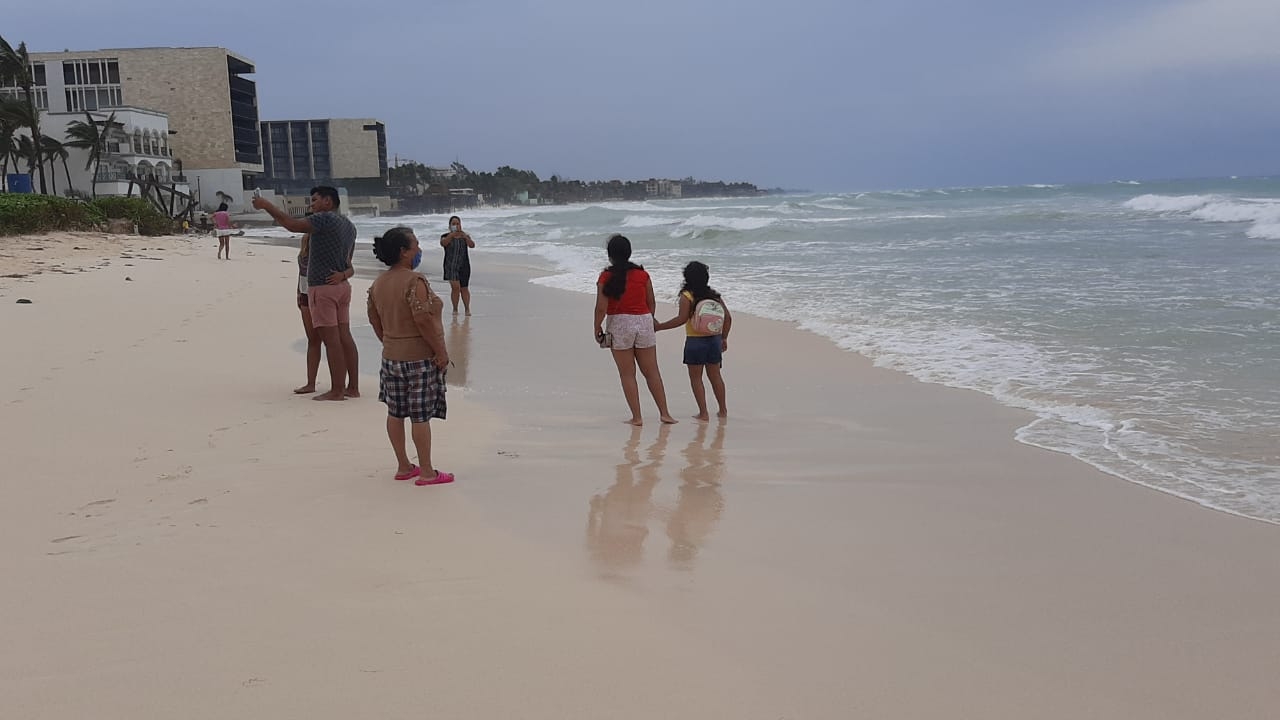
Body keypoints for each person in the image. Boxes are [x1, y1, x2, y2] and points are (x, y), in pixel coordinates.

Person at [252, 186, 359, 401]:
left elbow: (292, 225)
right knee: (344, 336)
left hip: (323, 287)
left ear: (328, 201)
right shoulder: (349, 225)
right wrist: (342, 274)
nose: (311, 204)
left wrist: (266, 206)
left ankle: (337, 390)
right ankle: (352, 387)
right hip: (342, 286)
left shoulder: (324, 219)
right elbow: (348, 261)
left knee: (331, 341)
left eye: (315, 200)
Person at [367, 226, 454, 486]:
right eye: (415, 245)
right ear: (404, 252)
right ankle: (427, 471)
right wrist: (440, 352)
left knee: (395, 412)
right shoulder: (414, 281)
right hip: (418, 359)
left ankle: (404, 465)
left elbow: (374, 319)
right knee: (419, 415)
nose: (419, 249)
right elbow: (423, 319)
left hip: (391, 357)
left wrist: (389, 342)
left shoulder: (378, 283)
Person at [593, 234, 677, 426]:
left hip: (619, 324)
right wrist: (647, 320)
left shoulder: (606, 277)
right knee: (652, 372)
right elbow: (651, 302)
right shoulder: (642, 275)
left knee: (627, 374)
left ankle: (637, 417)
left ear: (610, 255)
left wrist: (597, 326)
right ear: (629, 252)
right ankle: (665, 413)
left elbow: (601, 307)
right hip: (644, 321)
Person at [655, 261, 732, 420]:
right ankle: (723, 410)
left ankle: (703, 413)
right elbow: (728, 318)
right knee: (716, 376)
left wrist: (660, 326)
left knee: (696, 378)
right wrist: (723, 337)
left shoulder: (687, 296)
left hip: (695, 342)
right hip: (714, 340)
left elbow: (681, 319)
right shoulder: (715, 296)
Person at [293, 219, 321, 394]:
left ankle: (311, 382)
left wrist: (298, 292)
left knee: (315, 340)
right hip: (308, 294)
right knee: (319, 340)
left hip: (310, 294)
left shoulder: (305, 255)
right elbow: (301, 275)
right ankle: (312, 382)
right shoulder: (307, 255)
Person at [439, 215, 475, 315]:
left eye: (458, 223)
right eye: (453, 224)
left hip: (464, 265)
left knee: (464, 288)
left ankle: (467, 309)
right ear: (450, 226)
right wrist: (452, 234)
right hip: (451, 265)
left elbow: (472, 245)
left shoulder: (465, 236)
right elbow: (443, 243)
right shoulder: (445, 236)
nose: (456, 225)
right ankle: (455, 309)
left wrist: (465, 237)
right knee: (455, 288)